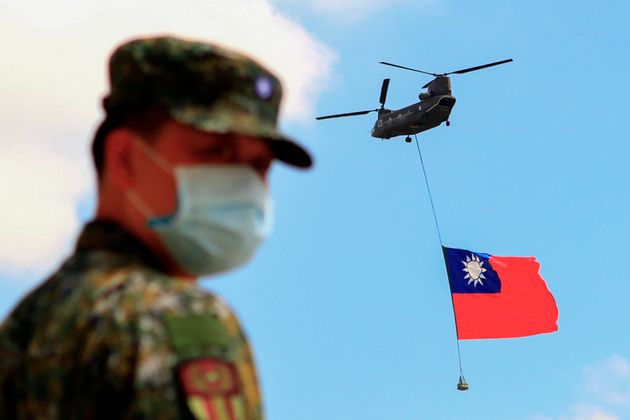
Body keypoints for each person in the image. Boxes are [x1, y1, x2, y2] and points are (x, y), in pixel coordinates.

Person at [0, 35, 312, 419]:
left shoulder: (28, 323)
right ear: (126, 159)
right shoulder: (183, 320)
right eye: (218, 151)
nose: (245, 183)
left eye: (260, 166)